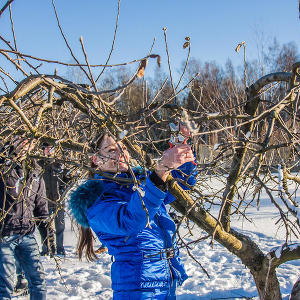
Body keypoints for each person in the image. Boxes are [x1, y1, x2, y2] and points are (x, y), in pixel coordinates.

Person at [69, 129, 197, 299]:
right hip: (136, 284)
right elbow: (132, 220)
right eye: (111, 150)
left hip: (165, 277)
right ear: (95, 159)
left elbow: (182, 183)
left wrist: (183, 151)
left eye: (124, 147)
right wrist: (160, 173)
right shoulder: (96, 199)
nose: (120, 153)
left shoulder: (141, 182)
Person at [0, 137, 51, 300]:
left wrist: (47, 236)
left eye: (29, 141)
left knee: (38, 281)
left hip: (27, 234)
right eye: (20, 140)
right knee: (5, 285)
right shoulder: (3, 167)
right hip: (4, 236)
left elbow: (41, 205)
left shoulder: (35, 171)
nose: (25, 144)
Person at [39, 142, 68, 256]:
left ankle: (60, 248)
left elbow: (67, 179)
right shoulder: (39, 164)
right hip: (44, 200)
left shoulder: (59, 164)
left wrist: (63, 190)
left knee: (60, 226)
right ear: (43, 150)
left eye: (50, 148)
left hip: (58, 200)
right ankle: (47, 249)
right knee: (45, 226)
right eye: (46, 148)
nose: (48, 150)